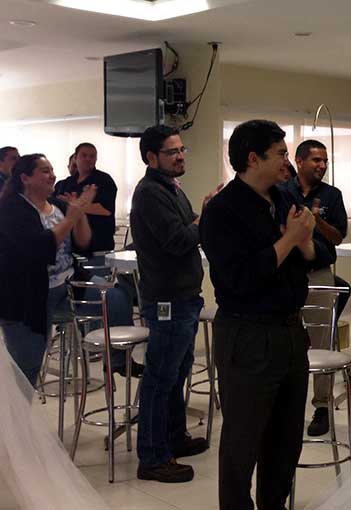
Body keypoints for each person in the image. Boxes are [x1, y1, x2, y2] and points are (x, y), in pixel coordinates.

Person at [201, 119, 330, 510]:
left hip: (290, 332)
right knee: (242, 443)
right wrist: (290, 239)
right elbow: (240, 278)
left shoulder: (285, 198)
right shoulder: (223, 210)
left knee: (285, 441)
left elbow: (321, 254)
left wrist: (303, 243)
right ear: (252, 158)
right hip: (248, 335)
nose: (286, 162)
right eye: (280, 154)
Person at [131, 125, 218, 483]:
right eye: (172, 152)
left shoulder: (170, 187)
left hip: (184, 296)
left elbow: (189, 227)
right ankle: (152, 457)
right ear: (152, 157)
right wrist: (204, 216)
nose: (181, 156)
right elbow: (179, 239)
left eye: (182, 150)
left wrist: (199, 217)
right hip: (167, 300)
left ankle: (173, 437)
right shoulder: (150, 193)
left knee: (177, 372)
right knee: (160, 378)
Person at [0, 154, 94, 385]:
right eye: (44, 171)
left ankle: (117, 361)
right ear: (25, 178)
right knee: (27, 369)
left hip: (67, 286)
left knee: (116, 298)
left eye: (52, 170)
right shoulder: (12, 209)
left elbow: (84, 242)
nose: (52, 175)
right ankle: (19, 408)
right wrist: (70, 219)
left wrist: (79, 213)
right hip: (26, 297)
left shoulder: (58, 206)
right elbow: (39, 247)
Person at [278, 139, 350, 437]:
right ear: (299, 161)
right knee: (283, 340)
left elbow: (338, 237)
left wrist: (317, 220)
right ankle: (284, 403)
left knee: (322, 341)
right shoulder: (282, 192)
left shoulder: (332, 195)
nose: (322, 165)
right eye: (316, 160)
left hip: (319, 274)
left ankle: (322, 406)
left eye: (325, 161)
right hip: (287, 275)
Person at [54, 143, 117, 258]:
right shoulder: (64, 184)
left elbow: (105, 209)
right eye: (84, 155)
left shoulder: (104, 180)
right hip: (69, 248)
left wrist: (73, 205)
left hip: (98, 247)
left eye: (92, 156)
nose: (88, 159)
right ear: (75, 158)